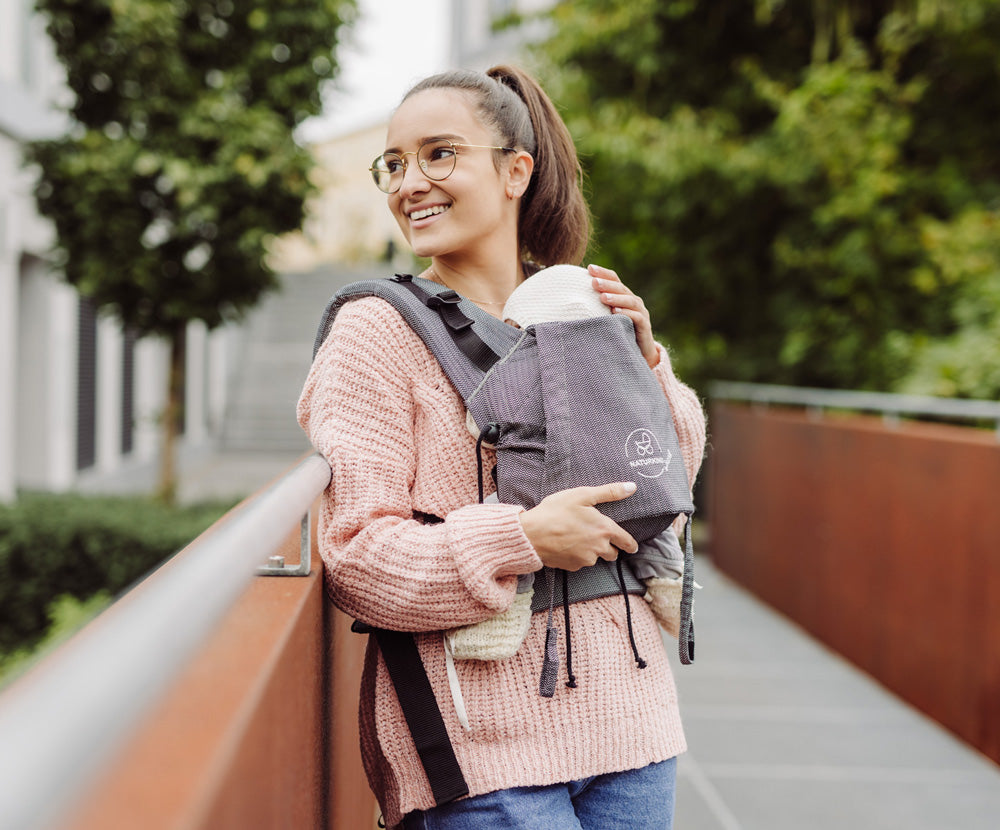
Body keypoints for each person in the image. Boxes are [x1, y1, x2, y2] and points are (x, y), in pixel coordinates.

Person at [297, 65, 706, 830]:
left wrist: (645, 366)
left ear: (516, 171)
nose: (410, 183)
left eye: (440, 154)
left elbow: (668, 479)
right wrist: (524, 540)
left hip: (635, 726)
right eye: (394, 163)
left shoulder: (574, 304)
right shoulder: (375, 331)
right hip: (481, 754)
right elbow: (357, 556)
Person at [445, 263, 689, 664]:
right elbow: (672, 452)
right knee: (650, 520)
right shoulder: (621, 365)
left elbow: (483, 419)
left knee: (503, 517)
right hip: (634, 488)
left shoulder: (524, 360)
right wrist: (646, 362)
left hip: (543, 494)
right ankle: (667, 578)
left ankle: (503, 616)